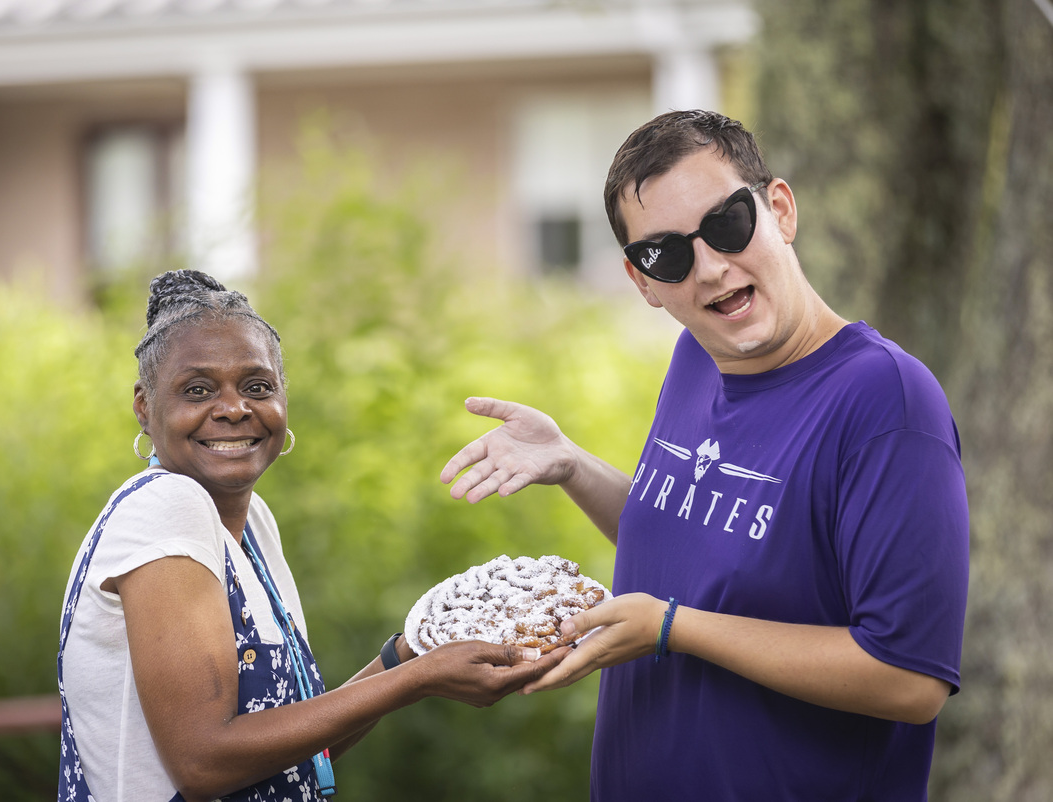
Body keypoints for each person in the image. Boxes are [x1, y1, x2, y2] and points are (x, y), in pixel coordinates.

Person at [440, 110, 970, 800]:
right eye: (667, 254)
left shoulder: (886, 402)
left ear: (778, 209)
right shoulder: (697, 356)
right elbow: (696, 538)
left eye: (726, 224)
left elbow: (908, 678)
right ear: (642, 282)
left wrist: (671, 629)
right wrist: (572, 464)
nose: (712, 268)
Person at [58, 269, 564, 802]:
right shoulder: (165, 506)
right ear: (144, 406)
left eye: (257, 387)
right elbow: (205, 761)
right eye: (198, 389)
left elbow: (291, 758)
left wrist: (408, 654)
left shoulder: (253, 525)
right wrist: (419, 680)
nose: (234, 409)